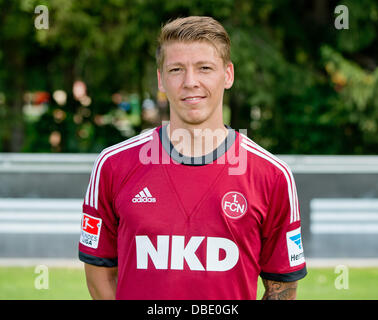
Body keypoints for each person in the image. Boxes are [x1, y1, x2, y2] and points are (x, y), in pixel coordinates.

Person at [79, 16, 307, 300]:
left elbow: (282, 287)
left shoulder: (271, 175)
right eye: (176, 69)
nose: (190, 82)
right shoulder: (114, 164)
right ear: (161, 79)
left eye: (205, 68)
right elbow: (99, 276)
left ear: (228, 75)